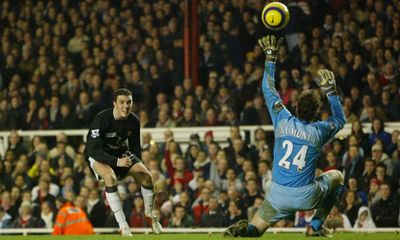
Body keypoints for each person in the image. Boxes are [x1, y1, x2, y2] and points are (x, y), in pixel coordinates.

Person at [224, 35, 346, 237]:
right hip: (307, 197)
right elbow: (340, 120)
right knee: (337, 177)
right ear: (317, 112)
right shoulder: (319, 131)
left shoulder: (282, 119)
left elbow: (267, 87)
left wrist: (271, 56)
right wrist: (331, 91)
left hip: (278, 195)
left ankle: (245, 229)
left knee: (255, 231)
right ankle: (315, 227)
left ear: (296, 107)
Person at [85, 88, 162, 236]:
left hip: (120, 153)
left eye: (129, 102)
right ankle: (123, 225)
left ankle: (149, 214)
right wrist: (116, 161)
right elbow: (93, 150)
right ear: (114, 103)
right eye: (121, 102)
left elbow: (134, 149)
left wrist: (135, 168)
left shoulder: (134, 121)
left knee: (147, 176)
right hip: (99, 155)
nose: (125, 106)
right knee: (110, 177)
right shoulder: (102, 119)